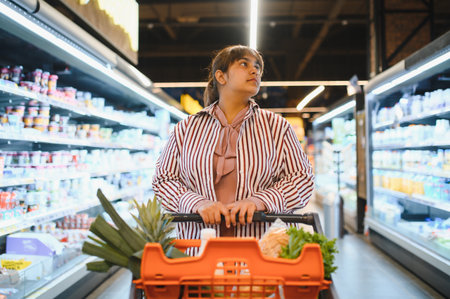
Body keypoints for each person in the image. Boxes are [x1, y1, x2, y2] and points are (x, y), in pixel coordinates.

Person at [152, 45, 314, 253]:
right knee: (202, 287)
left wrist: (260, 201)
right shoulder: (186, 129)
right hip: (199, 248)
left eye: (258, 67)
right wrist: (196, 202)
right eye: (244, 64)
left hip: (262, 249)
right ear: (221, 76)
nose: (255, 71)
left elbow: (302, 179)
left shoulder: (277, 128)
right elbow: (164, 179)